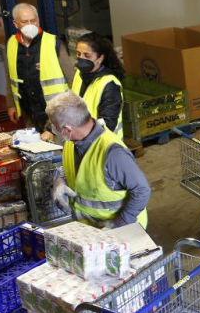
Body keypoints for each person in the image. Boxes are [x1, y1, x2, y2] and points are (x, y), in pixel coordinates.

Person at [46, 92, 150, 229]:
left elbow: (142, 190)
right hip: (90, 231)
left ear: (67, 129)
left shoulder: (113, 153)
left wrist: (120, 223)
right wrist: (59, 182)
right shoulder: (71, 142)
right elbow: (69, 167)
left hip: (123, 232)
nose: (54, 130)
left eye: (55, 127)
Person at [5, 3, 73, 135]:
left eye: (33, 20)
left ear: (38, 20)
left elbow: (72, 78)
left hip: (55, 113)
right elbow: (10, 76)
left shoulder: (53, 42)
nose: (30, 25)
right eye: (25, 22)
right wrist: (11, 104)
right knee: (35, 150)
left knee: (60, 149)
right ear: (16, 24)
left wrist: (71, 111)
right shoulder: (11, 44)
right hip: (29, 111)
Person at [71, 33, 125, 138]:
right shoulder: (79, 74)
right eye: (78, 54)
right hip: (81, 139)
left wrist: (82, 134)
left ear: (100, 58)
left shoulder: (110, 84)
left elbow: (108, 123)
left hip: (104, 144)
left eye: (87, 55)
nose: (81, 59)